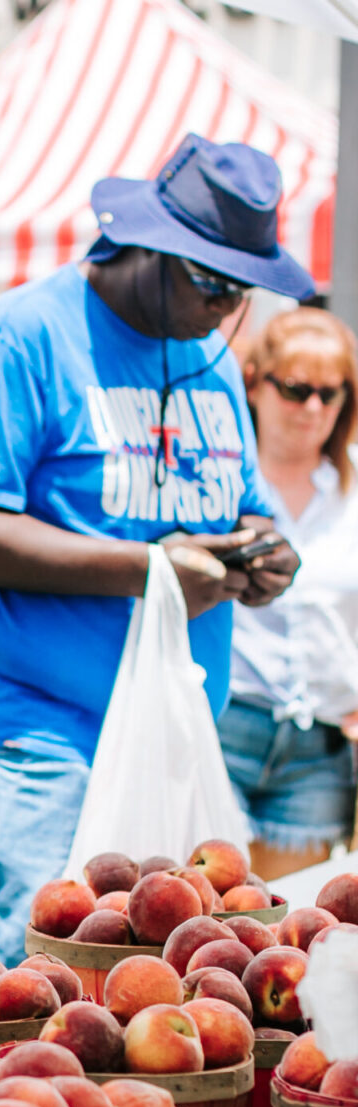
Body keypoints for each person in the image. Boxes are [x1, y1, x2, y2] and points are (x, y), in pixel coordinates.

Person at [0, 134, 310, 963]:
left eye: (242, 289)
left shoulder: (212, 361)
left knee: (156, 999)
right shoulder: (21, 336)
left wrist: (266, 555)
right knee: (27, 987)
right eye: (209, 279)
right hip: (38, 737)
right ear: (147, 246)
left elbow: (246, 510)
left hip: (174, 735)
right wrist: (148, 570)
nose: (223, 307)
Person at [218, 308, 358, 880]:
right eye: (297, 389)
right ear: (254, 382)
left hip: (317, 747)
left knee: (282, 933)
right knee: (200, 926)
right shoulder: (219, 481)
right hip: (226, 722)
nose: (314, 409)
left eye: (331, 393)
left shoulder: (352, 490)